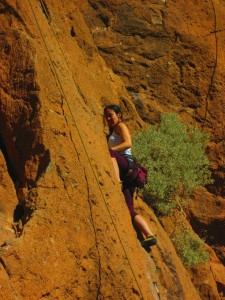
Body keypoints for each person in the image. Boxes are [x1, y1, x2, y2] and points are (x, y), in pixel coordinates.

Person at [104, 104, 157, 249]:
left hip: (127, 166)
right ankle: (149, 235)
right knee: (130, 211)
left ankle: (117, 182)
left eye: (111, 115)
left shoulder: (120, 127)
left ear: (118, 115)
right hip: (128, 175)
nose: (108, 118)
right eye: (106, 116)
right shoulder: (112, 132)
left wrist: (107, 149)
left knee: (108, 153)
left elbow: (128, 143)